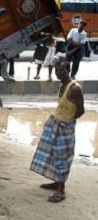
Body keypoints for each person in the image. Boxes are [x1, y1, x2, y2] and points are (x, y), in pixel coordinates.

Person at [30, 59, 84, 203]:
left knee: (62, 158)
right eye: (57, 70)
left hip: (65, 127)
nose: (59, 73)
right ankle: (56, 182)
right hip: (55, 123)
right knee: (52, 153)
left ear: (68, 69)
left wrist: (66, 123)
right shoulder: (62, 85)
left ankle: (61, 190)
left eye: (63, 70)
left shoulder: (75, 88)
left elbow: (80, 111)